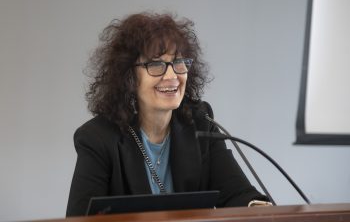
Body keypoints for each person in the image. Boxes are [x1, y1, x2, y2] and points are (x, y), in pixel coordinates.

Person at [66, 12, 269, 217]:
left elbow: (237, 193)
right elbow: (79, 218)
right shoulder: (98, 138)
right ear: (129, 77)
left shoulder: (199, 122)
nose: (172, 76)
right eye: (156, 64)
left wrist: (261, 211)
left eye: (179, 63)